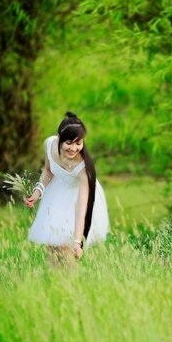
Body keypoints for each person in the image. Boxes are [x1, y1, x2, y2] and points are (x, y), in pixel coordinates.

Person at [25, 112, 109, 265]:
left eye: (79, 143)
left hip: (78, 201)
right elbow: (48, 171)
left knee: (65, 249)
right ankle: (55, 283)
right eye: (69, 142)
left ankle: (71, 284)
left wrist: (78, 242)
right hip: (57, 194)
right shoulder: (49, 144)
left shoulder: (83, 169)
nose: (74, 148)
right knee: (52, 246)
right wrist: (37, 192)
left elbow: (81, 208)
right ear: (59, 137)